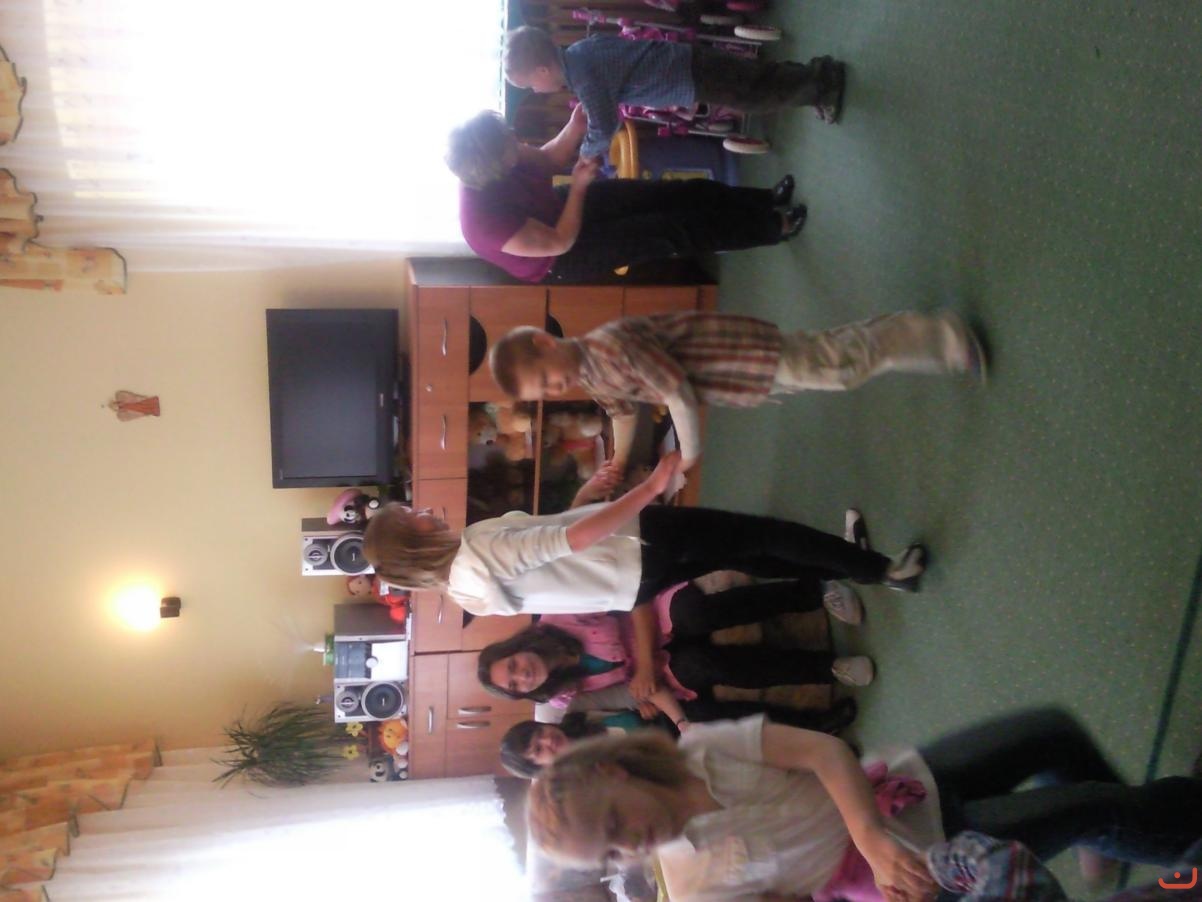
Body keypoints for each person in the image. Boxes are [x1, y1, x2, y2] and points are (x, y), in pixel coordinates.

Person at [527, 708, 1202, 902]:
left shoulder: (703, 749)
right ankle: (1173, 830)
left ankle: (1143, 824)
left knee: (1049, 733)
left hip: (900, 789)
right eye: (610, 854)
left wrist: (871, 833)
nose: (629, 846)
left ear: (614, 768)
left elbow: (824, 753)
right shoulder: (693, 882)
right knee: (1093, 809)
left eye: (613, 823)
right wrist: (878, 856)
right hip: (923, 863)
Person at [363, 451, 930, 629]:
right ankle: (881, 571)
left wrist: (586, 497)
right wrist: (650, 489)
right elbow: (571, 543)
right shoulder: (477, 550)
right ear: (412, 539)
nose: (424, 512)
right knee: (761, 535)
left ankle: (847, 563)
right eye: (413, 515)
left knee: (747, 553)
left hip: (629, 585)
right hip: (636, 544)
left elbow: (551, 554)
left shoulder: (463, 589)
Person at [489, 309, 987, 472]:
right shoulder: (592, 375)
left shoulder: (609, 348)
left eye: (546, 377)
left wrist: (689, 453)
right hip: (739, 377)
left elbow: (678, 394)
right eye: (546, 392)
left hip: (744, 354)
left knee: (839, 367)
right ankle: (919, 334)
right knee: (834, 356)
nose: (557, 386)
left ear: (545, 342)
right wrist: (618, 463)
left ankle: (944, 336)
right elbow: (622, 411)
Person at [448, 108, 807, 284]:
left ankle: (764, 200)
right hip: (562, 255)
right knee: (672, 231)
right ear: (497, 168)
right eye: (511, 146)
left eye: (510, 137)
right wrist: (579, 186)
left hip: (557, 207)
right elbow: (559, 241)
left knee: (672, 195)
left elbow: (548, 159)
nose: (517, 142)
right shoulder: (485, 223)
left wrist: (575, 125)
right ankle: (775, 227)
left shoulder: (500, 150)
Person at [477, 579, 874, 712]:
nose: (522, 675)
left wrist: (645, 664)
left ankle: (816, 593)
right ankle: (828, 669)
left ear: (515, 647)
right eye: (515, 685)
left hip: (651, 618)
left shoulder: (557, 615)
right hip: (662, 667)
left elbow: (634, 598)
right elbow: (622, 698)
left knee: (696, 613)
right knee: (703, 666)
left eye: (512, 666)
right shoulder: (560, 696)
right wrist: (644, 699)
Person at [503, 25, 848, 161]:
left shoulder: (583, 78)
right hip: (685, 64)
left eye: (531, 85)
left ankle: (821, 86)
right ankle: (814, 76)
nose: (537, 91)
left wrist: (585, 154)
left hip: (688, 75)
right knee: (754, 80)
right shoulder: (580, 52)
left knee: (753, 95)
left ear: (543, 71)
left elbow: (605, 126)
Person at [501, 694, 859, 779]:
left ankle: (818, 725)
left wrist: (684, 724)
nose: (547, 742)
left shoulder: (581, 709)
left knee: (707, 715)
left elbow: (645, 691)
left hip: (679, 725)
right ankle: (821, 763)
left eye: (539, 735)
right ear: (540, 767)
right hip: (674, 766)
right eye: (538, 751)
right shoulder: (583, 781)